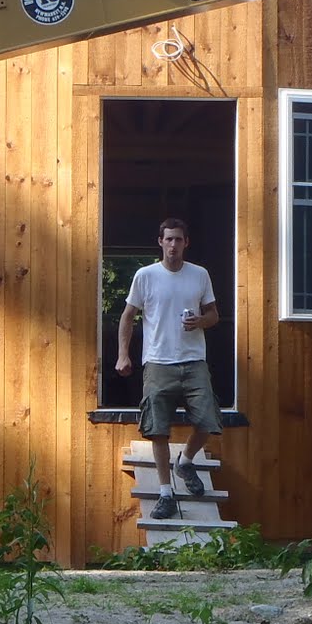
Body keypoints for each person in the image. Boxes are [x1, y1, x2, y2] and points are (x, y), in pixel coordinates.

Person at [115, 217, 221, 519]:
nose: (173, 245)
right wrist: (123, 355)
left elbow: (214, 315)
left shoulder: (199, 275)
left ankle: (185, 461)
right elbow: (128, 316)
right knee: (157, 429)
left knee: (209, 419)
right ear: (160, 242)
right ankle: (165, 493)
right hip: (158, 361)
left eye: (178, 239)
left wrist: (201, 321)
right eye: (168, 239)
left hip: (193, 360)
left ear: (186, 243)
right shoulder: (145, 276)